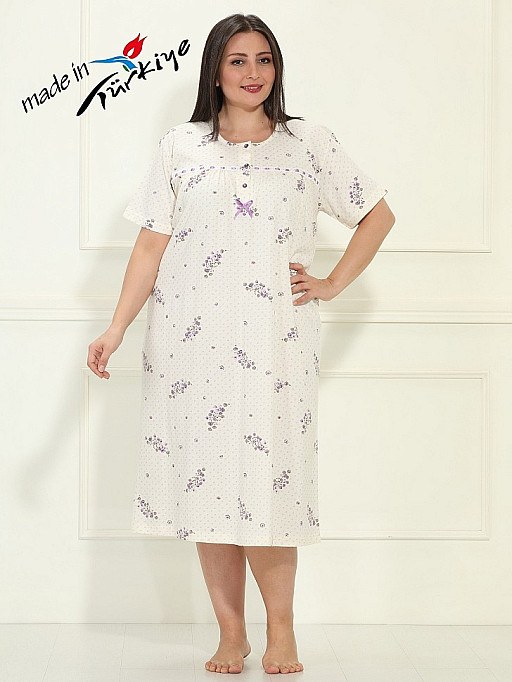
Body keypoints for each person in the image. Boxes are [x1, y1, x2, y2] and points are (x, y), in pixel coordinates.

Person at [87, 12, 395, 675]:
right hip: (188, 348)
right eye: (237, 61)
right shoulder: (181, 146)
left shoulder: (309, 143)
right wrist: (116, 328)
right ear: (215, 71)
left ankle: (282, 630)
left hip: (277, 349)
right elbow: (150, 246)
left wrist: (333, 283)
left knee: (269, 490)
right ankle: (232, 634)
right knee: (206, 493)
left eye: (264, 59)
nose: (253, 73)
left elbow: (376, 213)